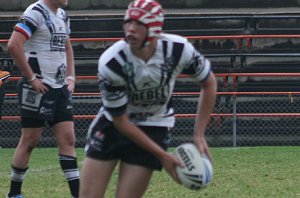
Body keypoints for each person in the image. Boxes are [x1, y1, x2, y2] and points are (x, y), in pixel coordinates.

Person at [80, 0, 217, 197]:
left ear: (153, 28)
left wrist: (199, 134)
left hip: (154, 126)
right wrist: (162, 156)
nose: (130, 29)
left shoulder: (178, 50)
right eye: (128, 22)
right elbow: (120, 120)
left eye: (139, 24)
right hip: (112, 127)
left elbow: (209, 82)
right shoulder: (112, 62)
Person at [6, 0, 79, 197]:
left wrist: (71, 76)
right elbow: (13, 45)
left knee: (68, 138)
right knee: (30, 140)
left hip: (60, 88)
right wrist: (31, 78)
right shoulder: (35, 12)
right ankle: (14, 193)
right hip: (37, 89)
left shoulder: (62, 15)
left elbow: (68, 47)